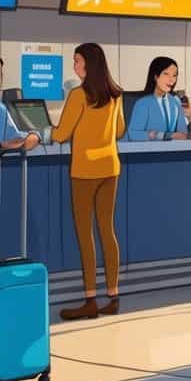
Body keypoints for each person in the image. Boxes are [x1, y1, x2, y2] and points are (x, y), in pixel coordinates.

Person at [51, 43, 125, 320]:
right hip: (111, 167)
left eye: (77, 61)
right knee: (107, 230)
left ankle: (91, 299)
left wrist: (44, 130)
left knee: (85, 234)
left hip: (84, 170)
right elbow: (119, 129)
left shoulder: (78, 95)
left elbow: (61, 135)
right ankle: (114, 295)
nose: (74, 66)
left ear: (89, 65)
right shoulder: (116, 94)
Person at [127, 57, 189, 141]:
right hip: (145, 151)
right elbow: (133, 134)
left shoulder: (175, 102)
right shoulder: (143, 103)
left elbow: (182, 133)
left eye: (174, 75)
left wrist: (187, 119)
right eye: (166, 74)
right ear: (156, 77)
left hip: (170, 150)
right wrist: (161, 135)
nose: (171, 80)